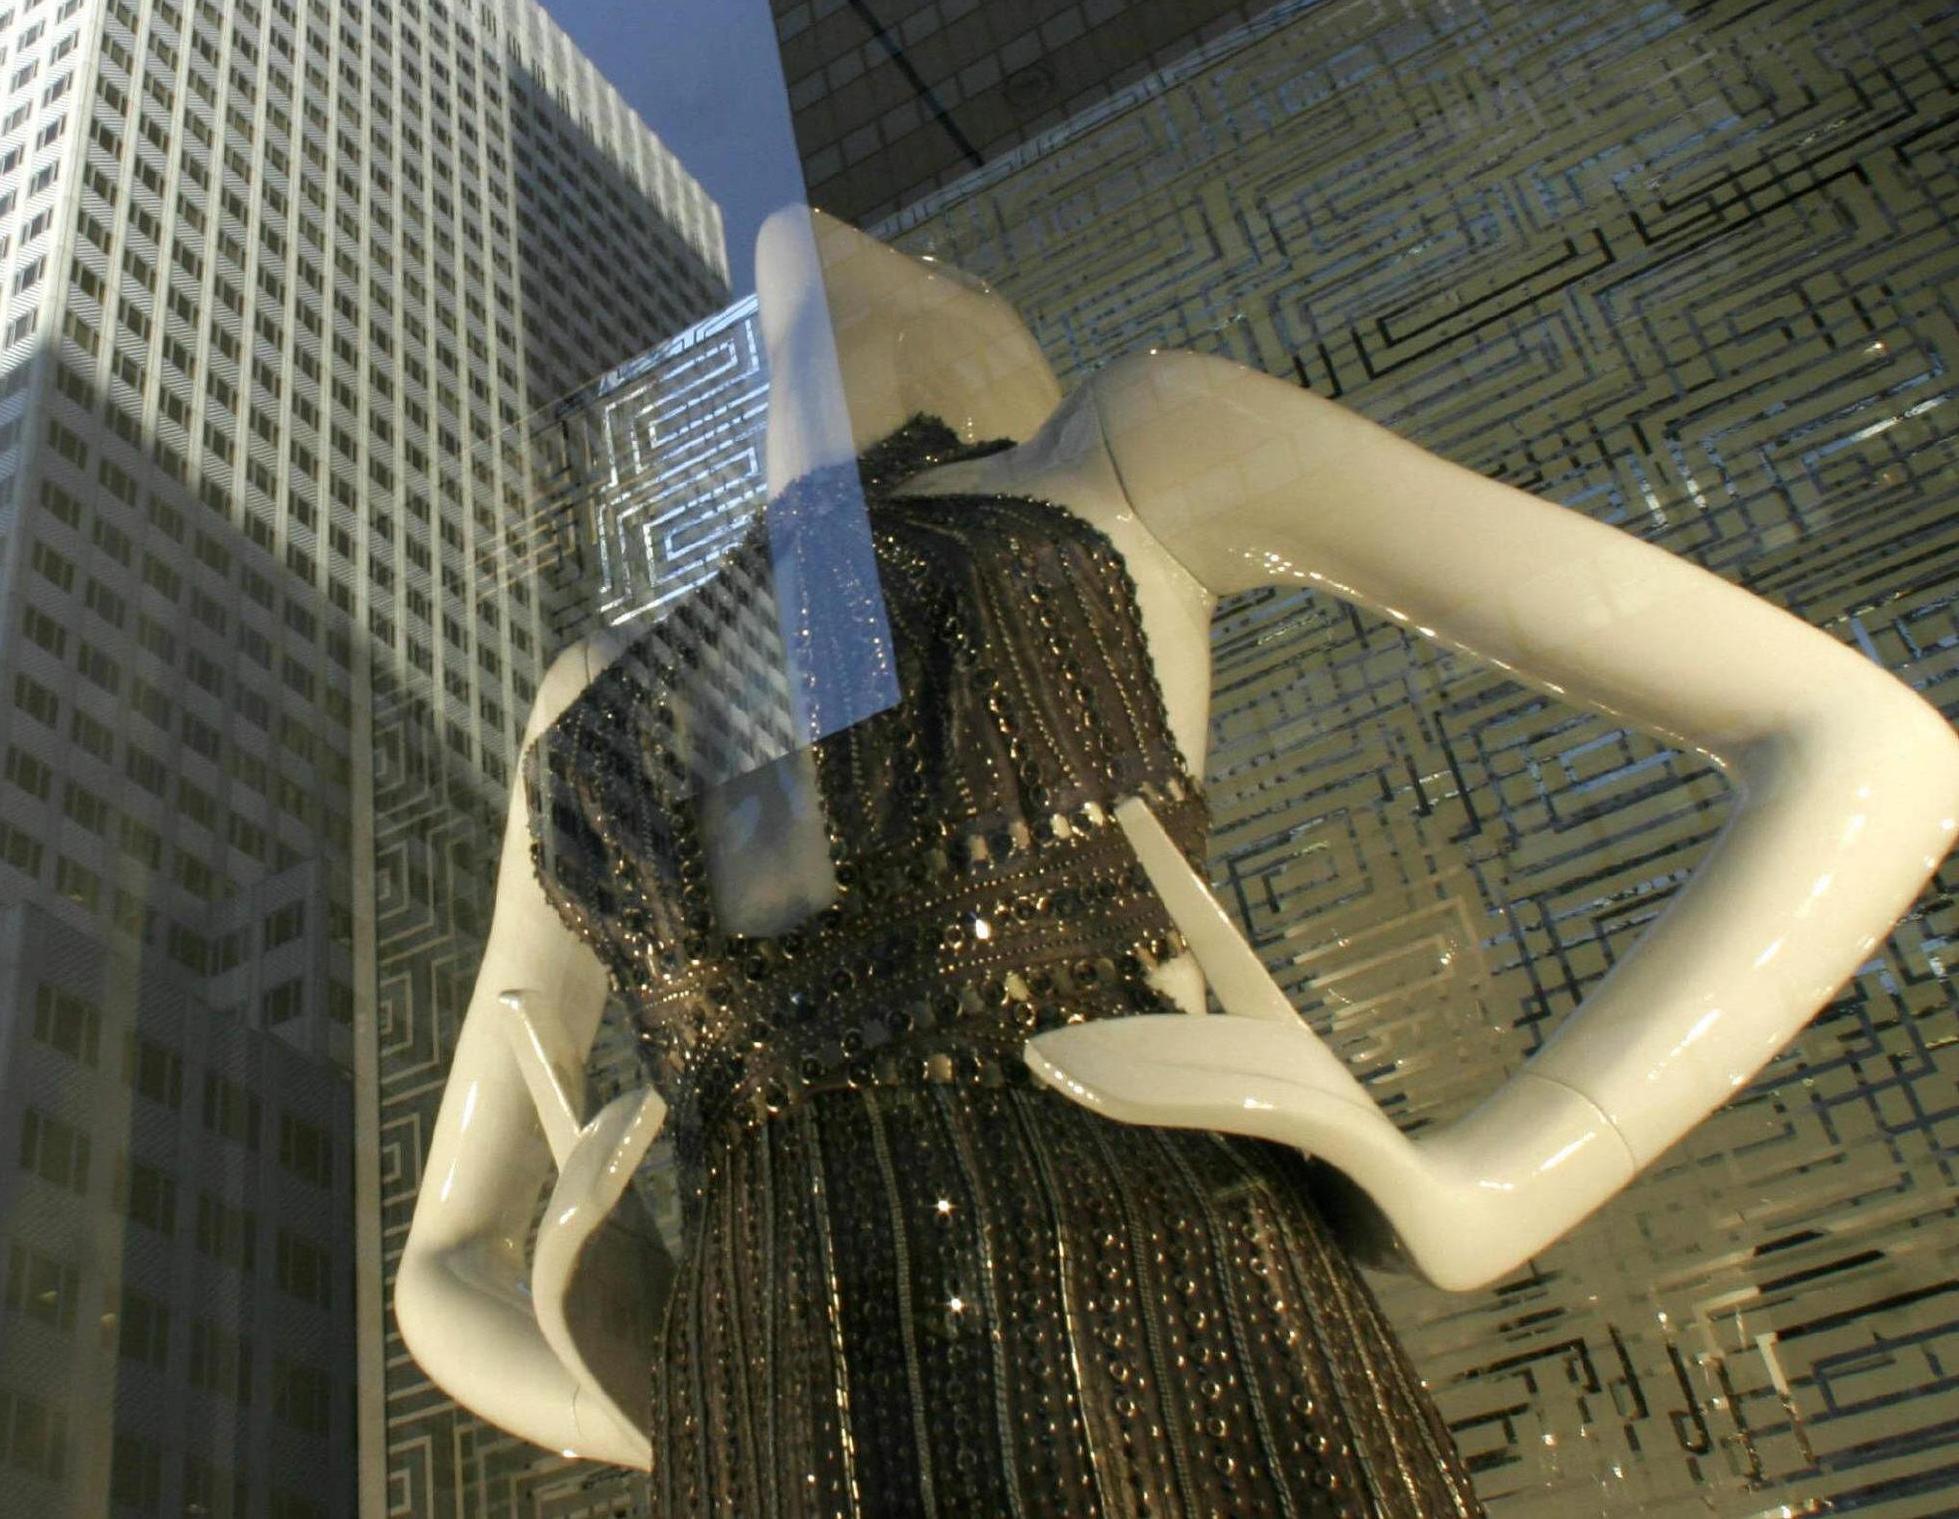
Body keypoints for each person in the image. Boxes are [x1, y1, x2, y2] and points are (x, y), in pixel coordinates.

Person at [396, 207, 1959, 1516]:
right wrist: (643, 1389)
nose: (816, 253)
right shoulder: (593, 692)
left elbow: (1866, 752)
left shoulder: (1123, 449)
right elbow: (443, 1263)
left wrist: (1485, 1187)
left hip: (1156, 1306)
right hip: (772, 1410)